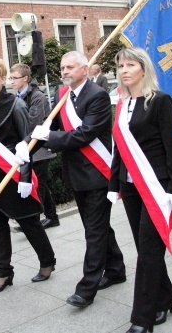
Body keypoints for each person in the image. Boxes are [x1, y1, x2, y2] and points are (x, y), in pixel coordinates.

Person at [28, 50, 125, 308]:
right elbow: (52, 128)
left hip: (97, 174)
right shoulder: (62, 95)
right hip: (77, 174)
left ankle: (87, 288)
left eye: (70, 67)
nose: (65, 71)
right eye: (62, 68)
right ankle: (116, 269)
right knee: (98, 227)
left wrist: (49, 138)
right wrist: (27, 147)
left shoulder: (98, 96)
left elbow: (84, 134)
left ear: (85, 69)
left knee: (93, 232)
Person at [108, 48, 172, 333]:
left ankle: (143, 319)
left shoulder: (159, 102)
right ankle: (165, 299)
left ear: (143, 69)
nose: (124, 70)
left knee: (149, 252)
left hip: (156, 186)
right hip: (130, 186)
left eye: (130, 65)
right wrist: (114, 184)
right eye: (121, 65)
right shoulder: (122, 103)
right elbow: (120, 149)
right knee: (145, 248)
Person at [0, 56, 56, 294]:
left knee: (28, 221)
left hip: (12, 173)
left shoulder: (15, 105)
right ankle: (4, 273)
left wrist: (26, 178)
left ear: (2, 78)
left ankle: (47, 260)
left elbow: (26, 143)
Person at [9, 63, 59, 228]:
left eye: (15, 78)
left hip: (39, 150)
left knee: (38, 186)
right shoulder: (17, 97)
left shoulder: (37, 97)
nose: (12, 81)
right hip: (26, 149)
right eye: (11, 78)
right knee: (41, 184)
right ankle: (52, 217)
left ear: (25, 78)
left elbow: (33, 124)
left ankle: (33, 222)